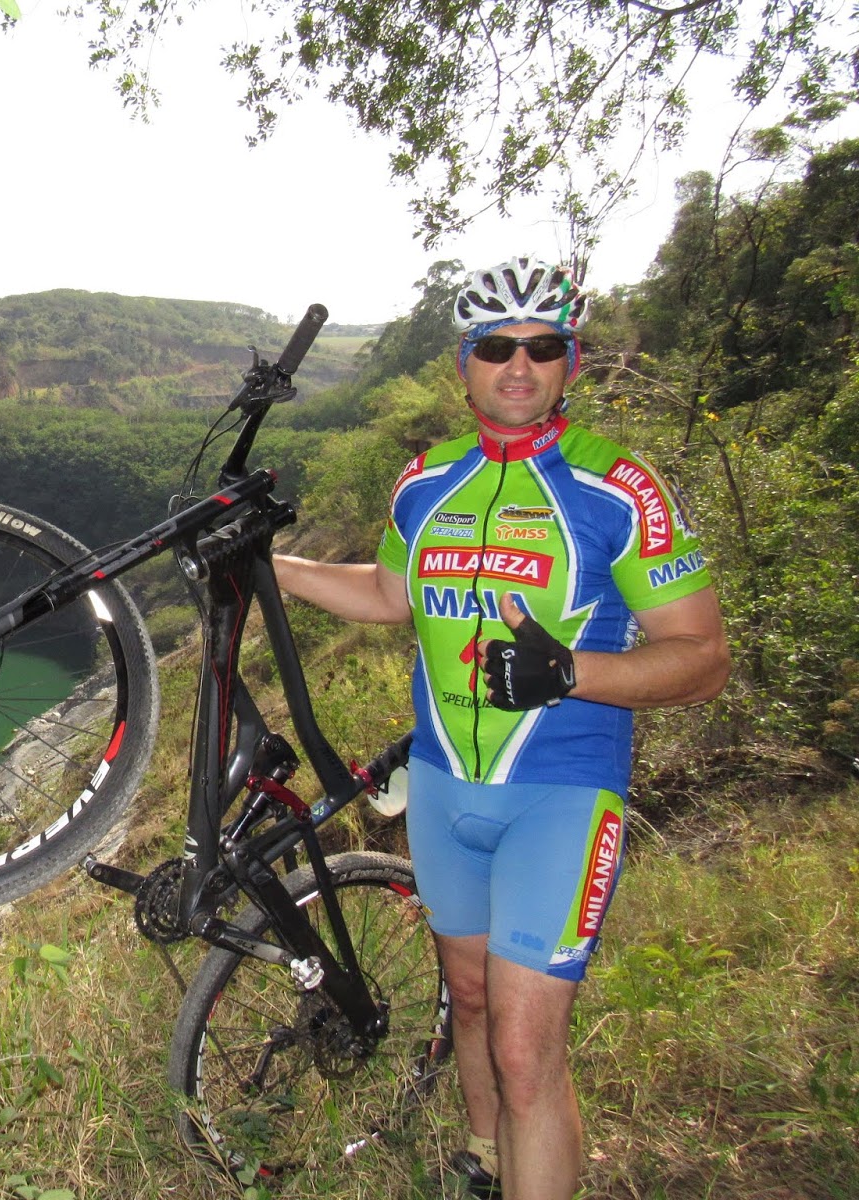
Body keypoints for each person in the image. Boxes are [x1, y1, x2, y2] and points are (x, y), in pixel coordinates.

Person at [273, 256, 731, 1200]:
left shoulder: (618, 489)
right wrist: (269, 564)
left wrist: (571, 672)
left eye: (543, 346)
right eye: (495, 347)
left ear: (572, 362)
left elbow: (702, 657)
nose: (518, 366)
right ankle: (485, 1158)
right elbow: (389, 594)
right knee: (472, 1002)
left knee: (526, 1050)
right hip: (444, 789)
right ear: (463, 364)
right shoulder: (425, 481)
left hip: (560, 793)